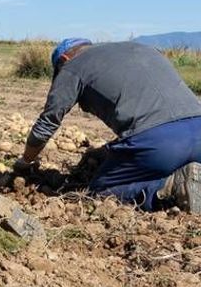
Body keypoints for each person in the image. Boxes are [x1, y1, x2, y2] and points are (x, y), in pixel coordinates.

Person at [12, 38, 201, 211]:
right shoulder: (142, 48)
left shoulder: (72, 67)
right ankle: (187, 177)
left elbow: (46, 125)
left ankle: (166, 188)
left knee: (100, 193)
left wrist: (26, 161)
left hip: (159, 143)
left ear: (63, 59)